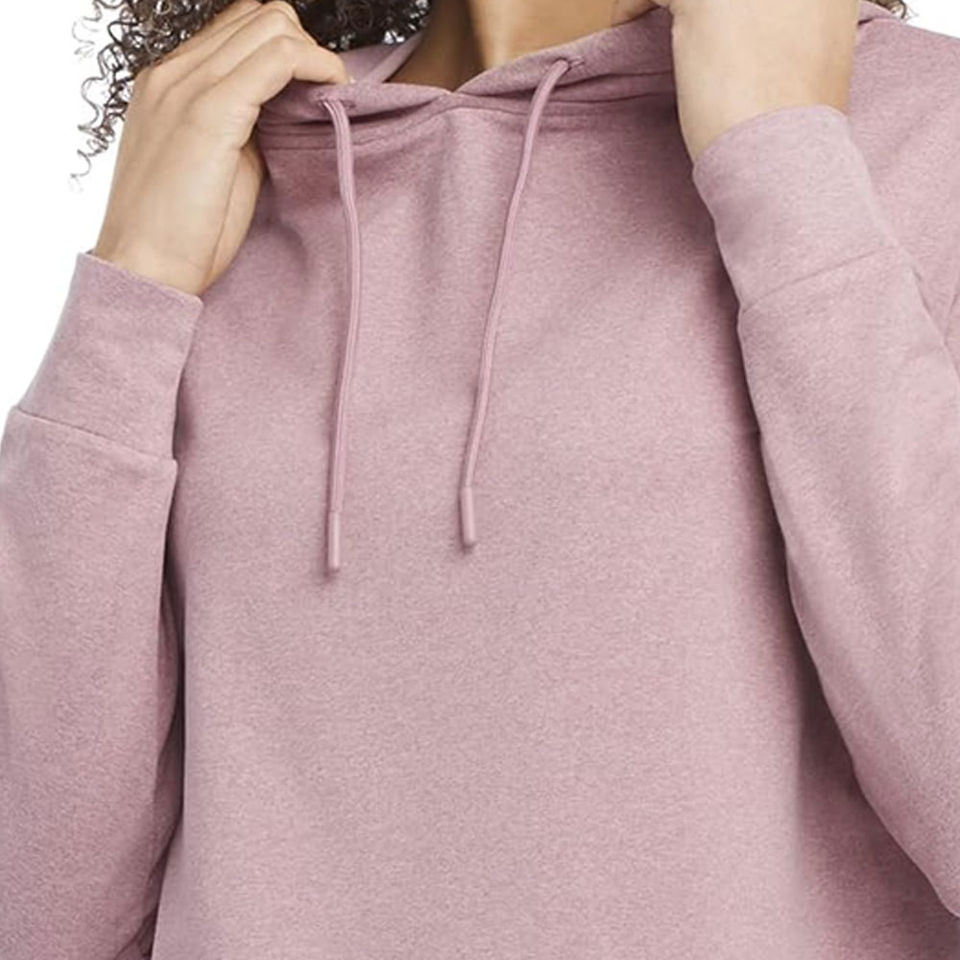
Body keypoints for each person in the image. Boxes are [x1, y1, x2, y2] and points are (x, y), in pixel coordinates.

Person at [1, 0, 958, 956]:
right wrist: (130, 292)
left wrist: (783, 160)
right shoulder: (239, 148)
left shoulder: (917, 127)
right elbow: (38, 911)